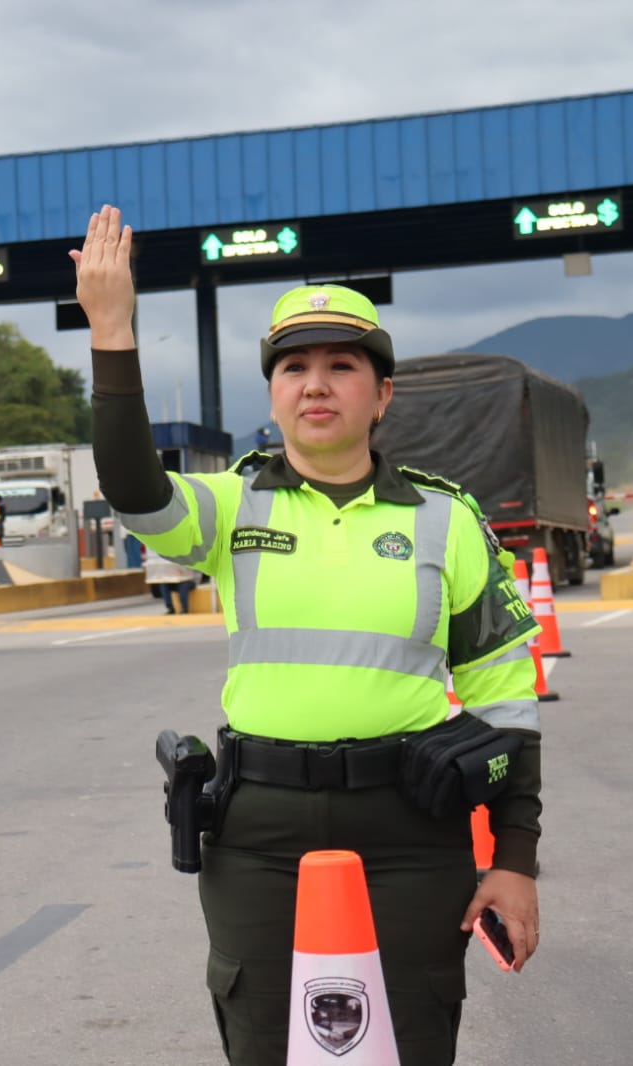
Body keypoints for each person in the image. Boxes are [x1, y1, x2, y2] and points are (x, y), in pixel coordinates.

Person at [71, 204, 543, 1065]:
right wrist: (111, 331)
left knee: (411, 1038)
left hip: (411, 827)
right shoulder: (229, 505)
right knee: (262, 1042)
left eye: (341, 366)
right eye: (293, 367)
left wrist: (513, 860)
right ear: (273, 393)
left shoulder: (447, 520)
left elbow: (506, 702)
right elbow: (136, 493)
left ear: (382, 394)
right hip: (259, 830)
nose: (315, 384)